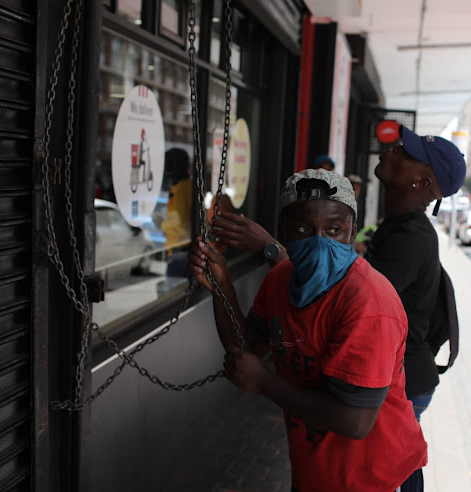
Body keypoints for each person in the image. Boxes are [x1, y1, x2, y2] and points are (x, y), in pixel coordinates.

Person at [189, 169, 428, 492]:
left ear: (352, 232)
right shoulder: (280, 279)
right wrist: (221, 287)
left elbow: (356, 421)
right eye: (303, 229)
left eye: (333, 229)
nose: (319, 242)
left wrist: (263, 382)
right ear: (283, 233)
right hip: (316, 473)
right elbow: (246, 352)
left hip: (376, 479)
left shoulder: (369, 302)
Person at [365, 125, 466, 421]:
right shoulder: (401, 226)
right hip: (401, 379)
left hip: (402, 386)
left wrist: (275, 254)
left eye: (401, 152)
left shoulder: (411, 238)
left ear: (421, 183)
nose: (389, 152)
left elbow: (354, 301)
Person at [162, 147, 193, 277]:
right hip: (180, 251)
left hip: (180, 252)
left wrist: (162, 225)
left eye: (171, 163)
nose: (168, 167)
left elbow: (178, 223)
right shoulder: (183, 186)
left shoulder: (181, 189)